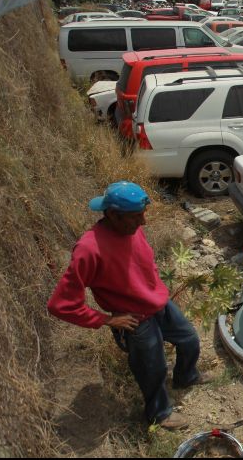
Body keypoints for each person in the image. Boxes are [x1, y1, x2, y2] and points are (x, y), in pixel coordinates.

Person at [47, 181, 208, 430]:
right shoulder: (89, 250)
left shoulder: (130, 229)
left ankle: (186, 377)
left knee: (189, 339)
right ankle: (159, 413)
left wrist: (155, 291)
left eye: (143, 214)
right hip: (135, 319)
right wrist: (107, 319)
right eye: (136, 217)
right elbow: (61, 304)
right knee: (152, 368)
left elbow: (143, 262)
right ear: (112, 214)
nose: (143, 222)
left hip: (158, 304)